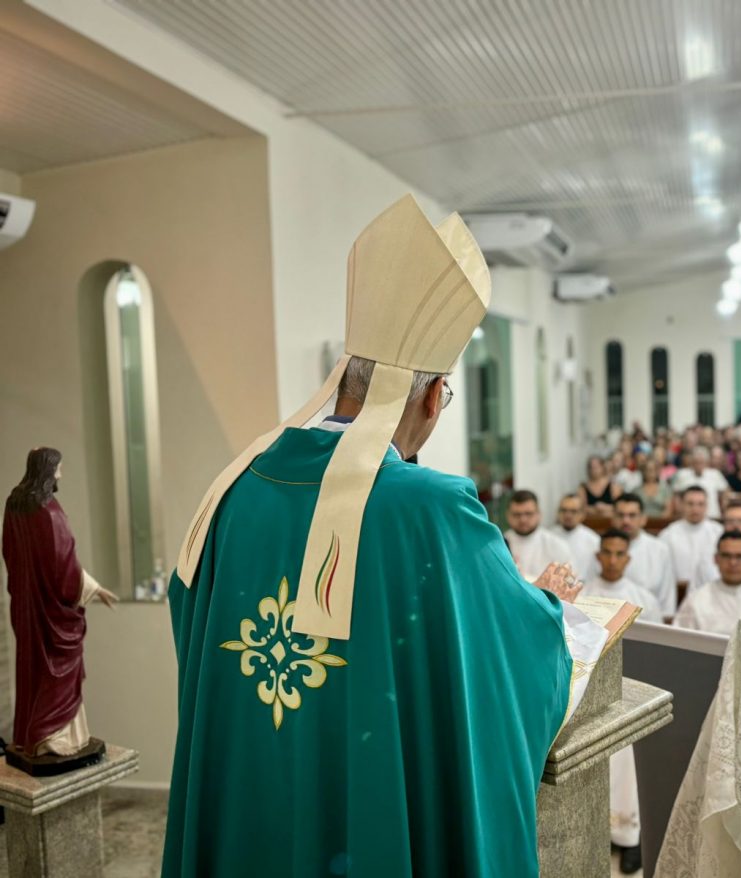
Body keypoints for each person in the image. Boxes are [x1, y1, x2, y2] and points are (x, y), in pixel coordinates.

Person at [164, 197, 586, 877]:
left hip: (253, 810)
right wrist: (546, 610)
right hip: (365, 828)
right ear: (429, 396)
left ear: (347, 376)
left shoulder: (235, 486)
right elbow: (506, 651)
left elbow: (189, 610)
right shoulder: (430, 507)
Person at [2, 448, 118, 767]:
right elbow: (63, 568)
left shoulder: (14, 504)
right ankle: (52, 736)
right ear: (49, 470)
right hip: (53, 613)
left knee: (32, 666)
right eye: (59, 469)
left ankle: (31, 737)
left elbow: (10, 553)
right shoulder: (49, 510)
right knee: (54, 666)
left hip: (27, 607)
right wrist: (93, 588)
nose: (61, 475)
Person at [579, 529, 660, 875]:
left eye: (619, 554)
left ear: (628, 558)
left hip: (631, 685)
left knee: (629, 762)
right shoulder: (582, 592)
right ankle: (597, 831)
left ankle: (629, 837)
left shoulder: (644, 597)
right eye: (607, 552)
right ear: (598, 555)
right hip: (592, 690)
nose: (612, 560)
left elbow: (658, 646)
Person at [611, 494, 677, 617]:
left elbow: (667, 597)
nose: (626, 521)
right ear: (612, 518)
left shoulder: (660, 550)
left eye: (632, 515)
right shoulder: (601, 548)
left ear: (643, 519)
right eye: (620, 515)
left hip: (648, 620)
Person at [658, 486, 724, 590]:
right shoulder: (668, 534)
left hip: (713, 591)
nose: (695, 509)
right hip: (676, 591)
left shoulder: (719, 532)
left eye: (700, 504)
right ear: (682, 505)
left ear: (707, 506)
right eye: (690, 504)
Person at [505, 490, 574, 581]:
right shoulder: (500, 543)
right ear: (508, 516)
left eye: (528, 514)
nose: (523, 520)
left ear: (539, 514)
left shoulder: (557, 545)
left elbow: (569, 582)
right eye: (517, 515)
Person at [551, 493, 601, 581]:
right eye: (564, 510)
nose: (568, 515)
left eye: (573, 511)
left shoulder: (594, 540)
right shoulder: (550, 536)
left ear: (582, 514)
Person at [671, 447, 729, 519]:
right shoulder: (682, 474)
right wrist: (679, 511)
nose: (698, 465)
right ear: (691, 462)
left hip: (712, 516)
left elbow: (725, 492)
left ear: (706, 462)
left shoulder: (715, 474)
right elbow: (676, 495)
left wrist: (724, 509)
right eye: (696, 462)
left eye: (701, 462)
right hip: (688, 517)